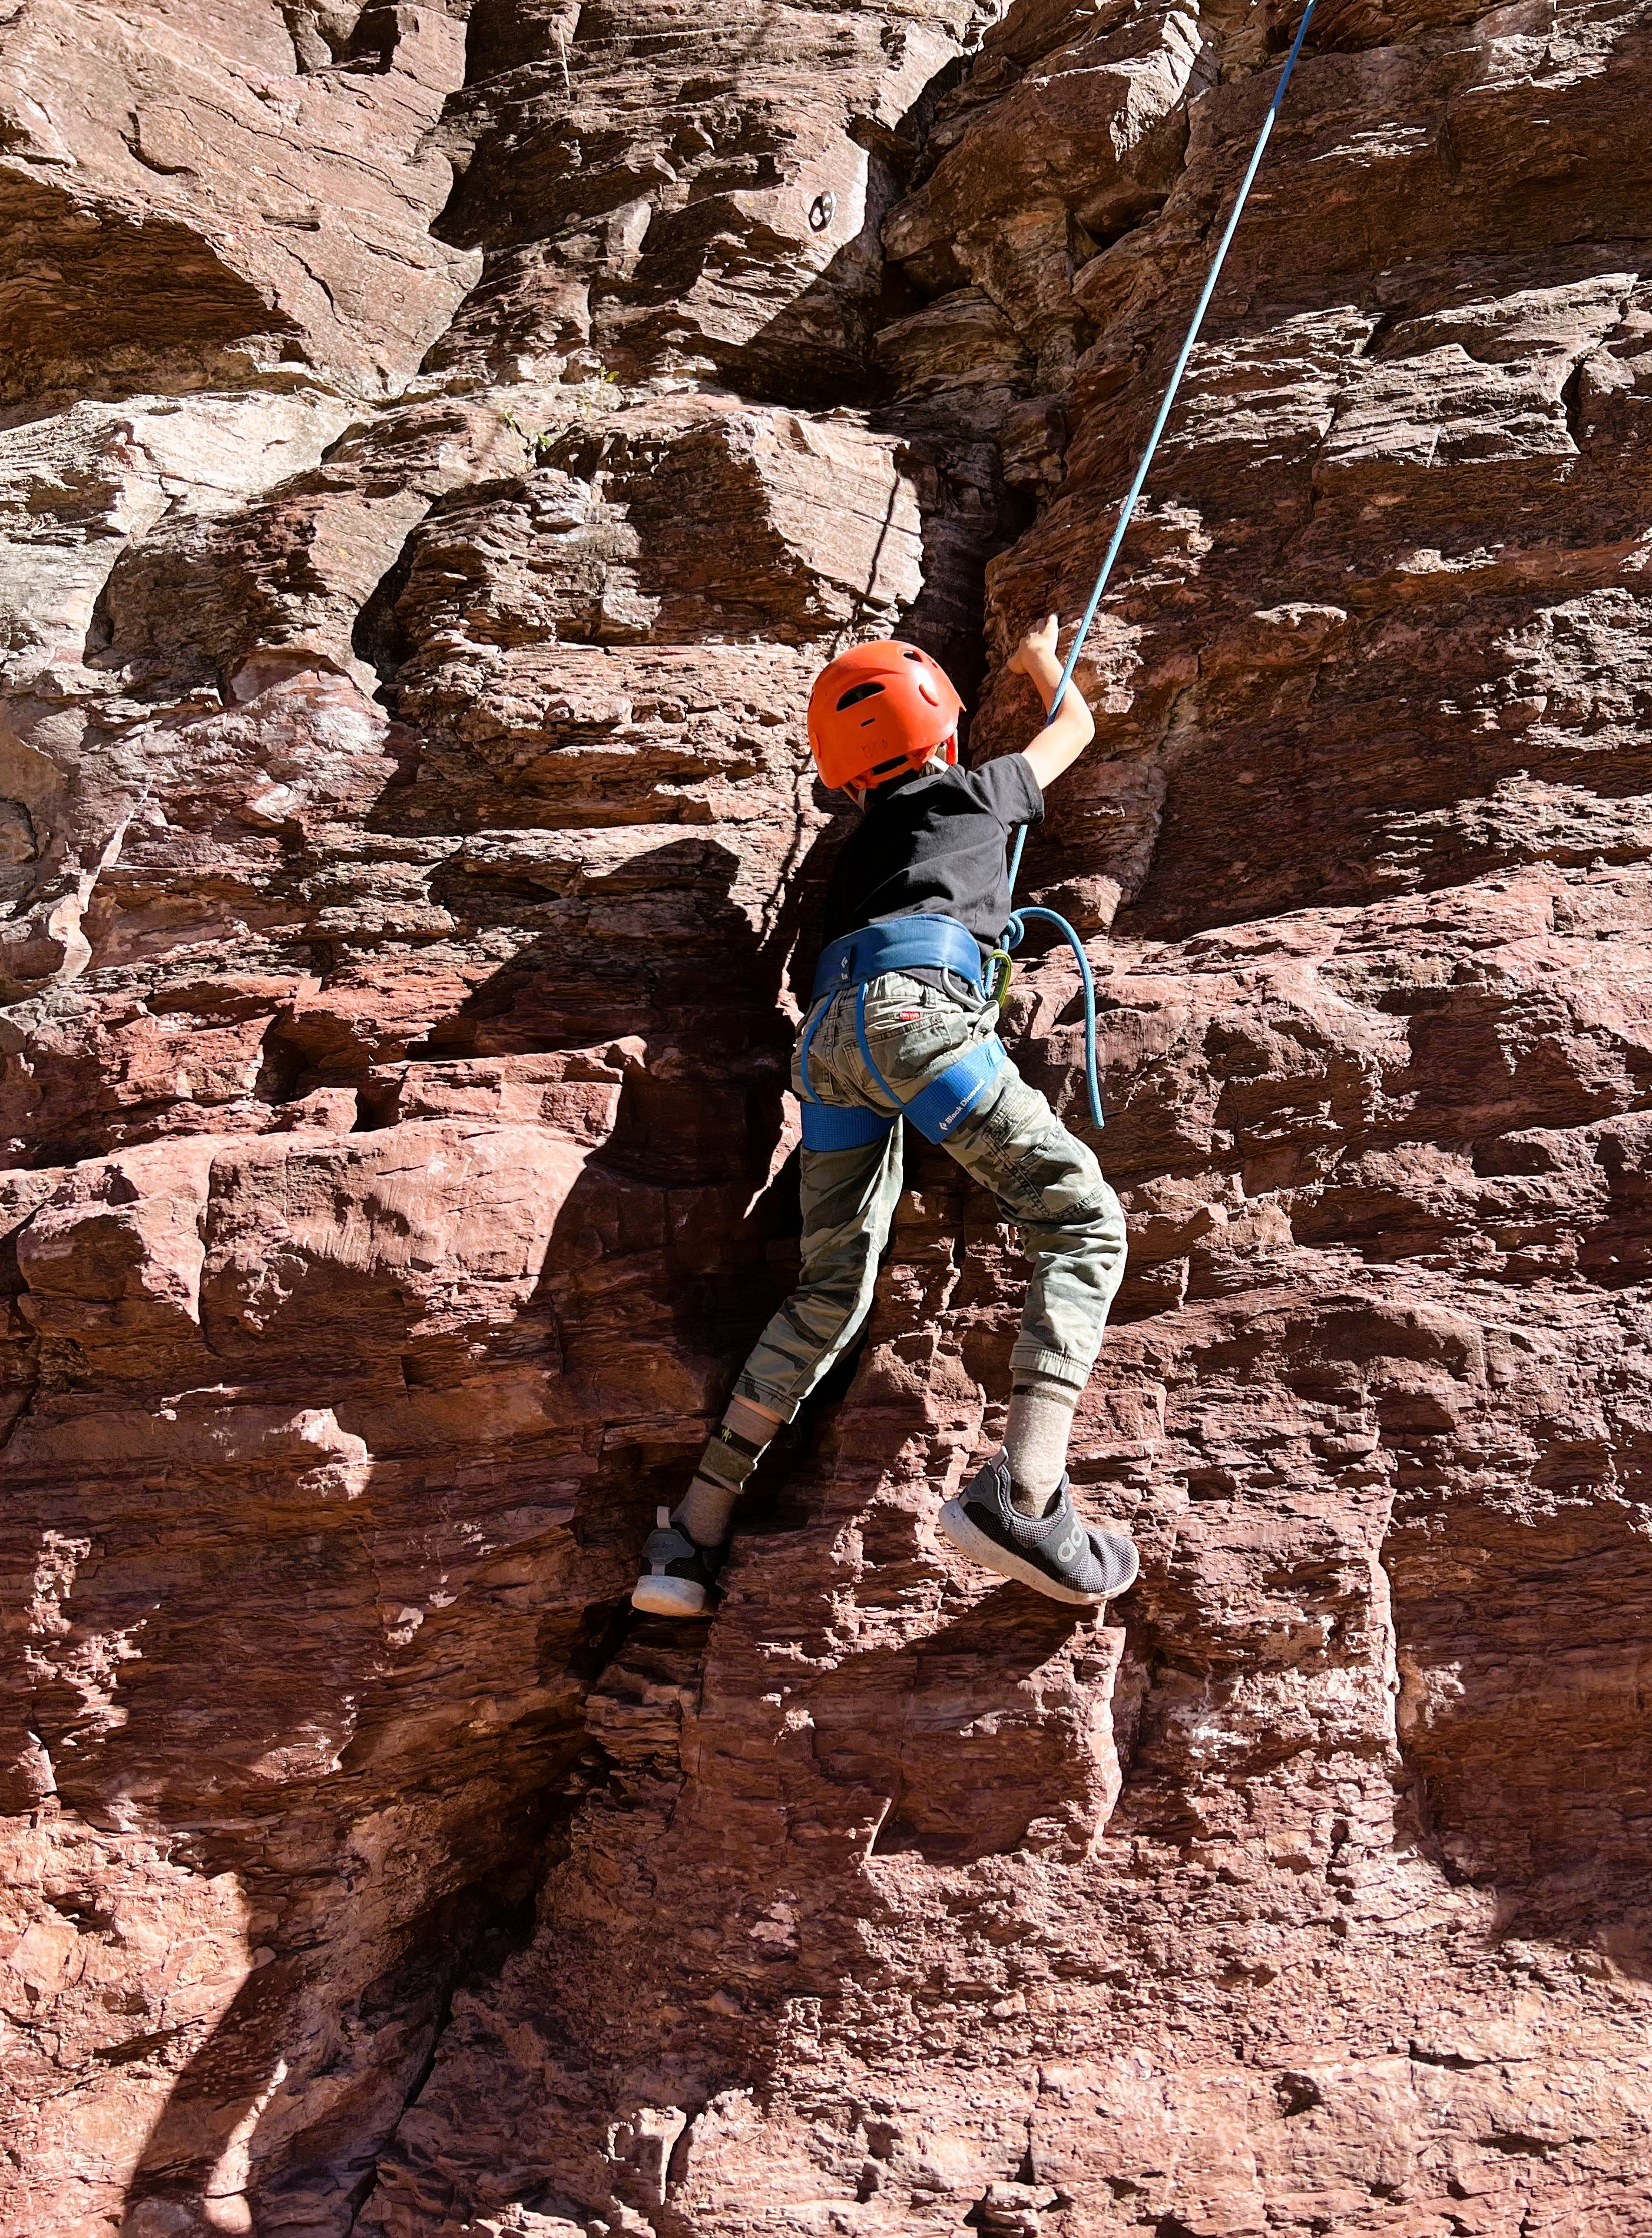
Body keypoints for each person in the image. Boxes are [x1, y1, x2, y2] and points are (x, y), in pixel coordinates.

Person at [633, 618, 1136, 1617]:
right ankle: (1027, 1497)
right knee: (1079, 1221)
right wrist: (1039, 660)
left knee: (827, 1288)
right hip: (918, 1022)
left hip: (826, 1044)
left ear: (846, 777)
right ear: (944, 729)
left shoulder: (853, 849)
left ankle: (688, 1541)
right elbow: (1073, 725)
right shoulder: (977, 788)